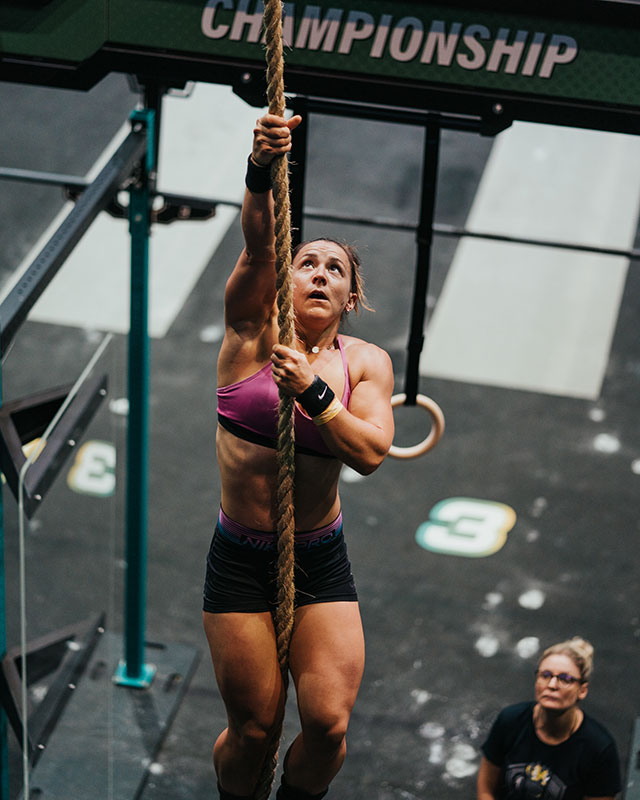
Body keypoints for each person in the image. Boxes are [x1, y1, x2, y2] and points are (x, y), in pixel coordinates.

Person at [202, 112, 395, 800]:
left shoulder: (365, 363)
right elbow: (257, 246)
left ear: (351, 295)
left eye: (333, 269)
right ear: (285, 283)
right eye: (306, 263)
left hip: (317, 555)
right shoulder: (250, 332)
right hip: (240, 557)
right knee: (254, 728)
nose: (318, 274)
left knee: (328, 724)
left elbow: (373, 452)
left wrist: (314, 395)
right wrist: (260, 166)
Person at [477, 637, 622, 800]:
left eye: (565, 679)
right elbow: (485, 789)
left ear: (582, 690)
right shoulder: (510, 720)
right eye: (545, 675)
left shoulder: (599, 749)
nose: (552, 685)